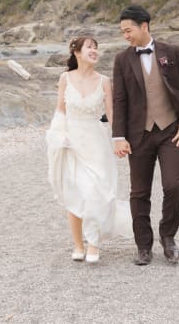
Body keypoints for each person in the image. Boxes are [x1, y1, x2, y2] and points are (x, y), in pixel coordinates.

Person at [112, 5, 179, 266]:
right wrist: (119, 136)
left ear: (144, 26)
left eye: (128, 30)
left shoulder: (171, 52)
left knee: (173, 185)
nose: (125, 35)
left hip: (170, 131)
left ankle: (168, 237)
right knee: (139, 192)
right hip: (138, 135)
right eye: (122, 31)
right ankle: (143, 246)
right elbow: (119, 100)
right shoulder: (122, 60)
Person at [46, 36, 131, 264]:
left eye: (96, 48)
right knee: (75, 193)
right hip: (72, 142)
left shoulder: (104, 81)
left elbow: (111, 114)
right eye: (89, 47)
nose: (94, 51)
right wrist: (58, 136)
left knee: (96, 192)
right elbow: (60, 110)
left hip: (96, 142)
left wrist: (119, 139)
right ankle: (78, 244)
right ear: (77, 52)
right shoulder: (65, 78)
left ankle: (94, 243)